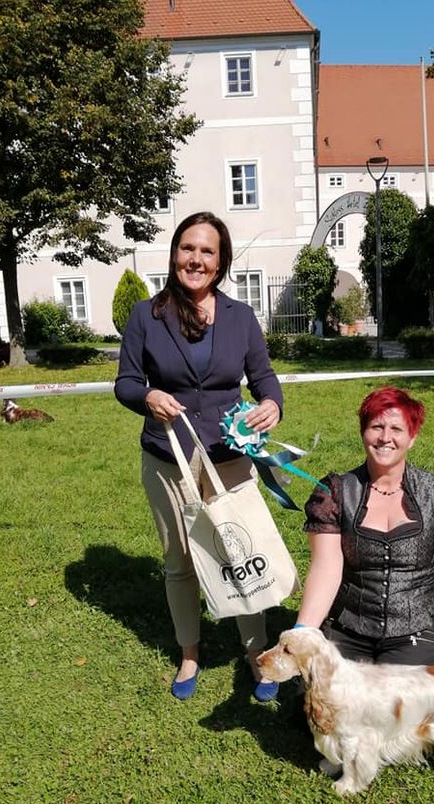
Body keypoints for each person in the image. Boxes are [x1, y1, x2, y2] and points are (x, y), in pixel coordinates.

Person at [115, 212, 283, 702]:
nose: (195, 259)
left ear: (220, 261)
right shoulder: (146, 315)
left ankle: (256, 652)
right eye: (187, 248)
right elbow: (126, 382)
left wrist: (272, 404)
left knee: (240, 552)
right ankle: (190, 652)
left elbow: (263, 377)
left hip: (229, 455)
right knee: (179, 560)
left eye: (207, 251)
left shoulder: (240, 317)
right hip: (168, 457)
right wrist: (147, 396)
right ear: (174, 254)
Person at [293, 386, 434, 682]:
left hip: (417, 628)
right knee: (332, 703)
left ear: (412, 437)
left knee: (398, 704)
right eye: (376, 427)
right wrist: (301, 635)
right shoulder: (336, 492)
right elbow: (325, 569)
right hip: (348, 626)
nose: (385, 437)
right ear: (363, 432)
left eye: (396, 429)